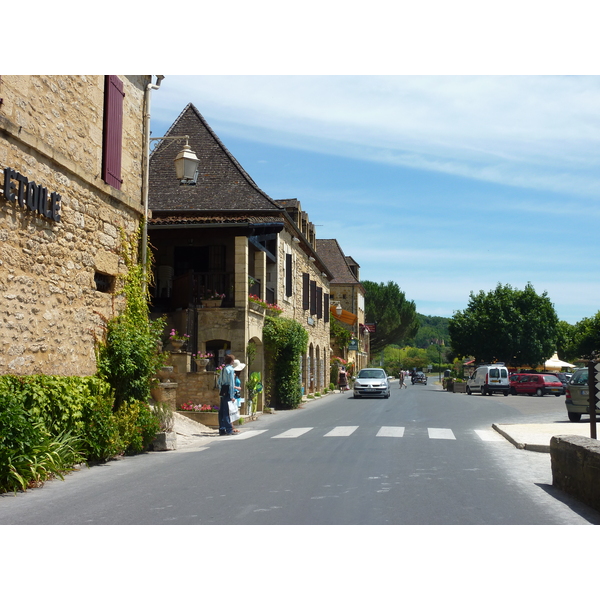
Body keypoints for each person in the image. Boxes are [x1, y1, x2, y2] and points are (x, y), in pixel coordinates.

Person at [217, 354, 238, 435]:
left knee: (221, 411)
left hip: (223, 390)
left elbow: (219, 382)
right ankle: (229, 429)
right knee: (227, 411)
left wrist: (221, 389)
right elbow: (231, 383)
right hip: (228, 391)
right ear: (232, 361)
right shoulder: (231, 370)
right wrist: (232, 395)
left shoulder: (223, 369)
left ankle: (221, 429)